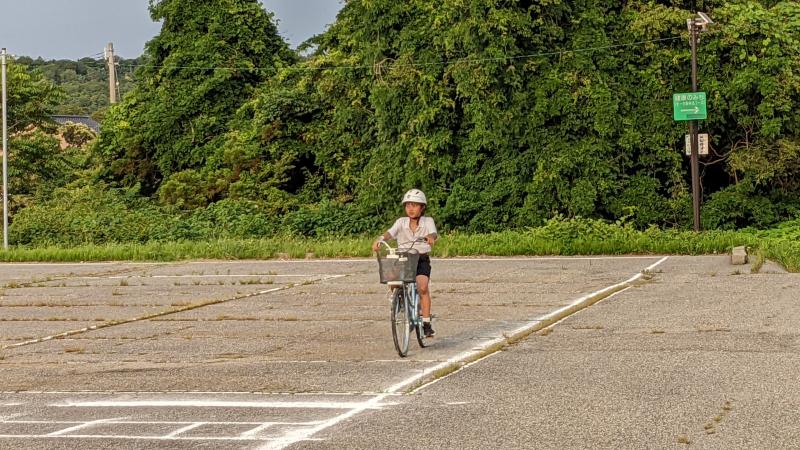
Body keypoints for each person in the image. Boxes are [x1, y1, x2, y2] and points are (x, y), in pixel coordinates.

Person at [372, 189, 439, 337]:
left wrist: (430, 237)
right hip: (403, 258)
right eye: (408, 205)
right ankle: (400, 299)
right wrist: (380, 239)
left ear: (422, 207)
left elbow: (433, 233)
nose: (411, 208)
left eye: (415, 205)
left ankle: (426, 323)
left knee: (422, 287)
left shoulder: (428, 221)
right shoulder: (401, 222)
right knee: (392, 278)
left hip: (421, 258)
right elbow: (390, 232)